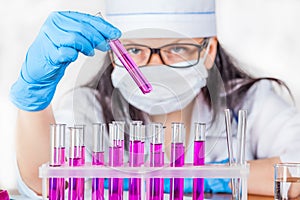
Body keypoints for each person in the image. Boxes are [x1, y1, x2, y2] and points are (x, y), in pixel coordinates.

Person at [9, 0, 300, 199]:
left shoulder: (253, 103)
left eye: (177, 49)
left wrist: (192, 177)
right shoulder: (90, 106)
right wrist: (32, 99)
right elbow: (44, 184)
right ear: (114, 54)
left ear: (209, 50)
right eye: (135, 51)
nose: (155, 67)